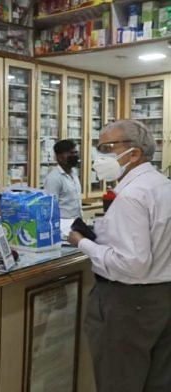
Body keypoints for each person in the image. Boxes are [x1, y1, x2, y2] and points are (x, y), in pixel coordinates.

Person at [68, 119, 171, 392]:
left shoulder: (132, 195)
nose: (99, 156)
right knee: (157, 380)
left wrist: (81, 242)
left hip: (129, 304)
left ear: (134, 153)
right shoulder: (163, 185)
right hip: (162, 298)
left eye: (106, 148)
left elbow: (132, 264)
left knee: (119, 380)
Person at [43, 139, 82, 219]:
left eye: (75, 153)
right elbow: (50, 207)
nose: (74, 156)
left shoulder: (74, 173)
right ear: (59, 157)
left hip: (77, 221)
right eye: (71, 153)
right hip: (63, 224)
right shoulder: (54, 178)